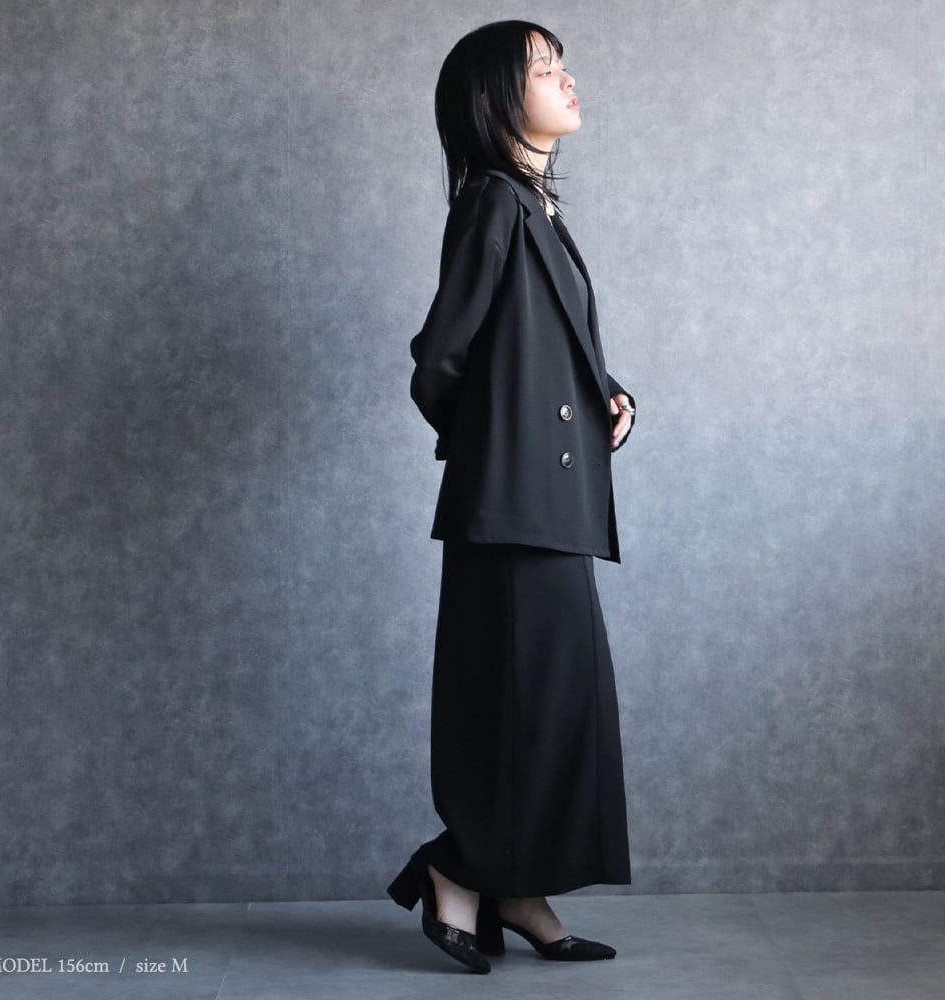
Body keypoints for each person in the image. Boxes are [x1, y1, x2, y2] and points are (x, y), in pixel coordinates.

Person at [387, 20, 636, 974]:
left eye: (563, 63)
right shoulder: (493, 201)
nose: (566, 79)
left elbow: (543, 351)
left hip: (545, 502)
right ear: (497, 98)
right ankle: (456, 868)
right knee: (519, 703)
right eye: (544, 68)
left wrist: (607, 395)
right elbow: (439, 361)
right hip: (511, 503)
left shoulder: (535, 206)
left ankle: (516, 887)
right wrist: (503, 444)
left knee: (556, 704)